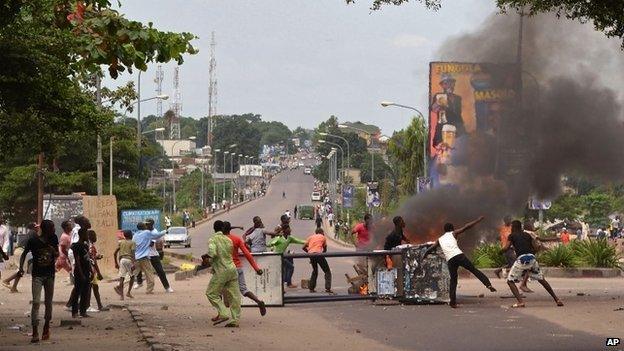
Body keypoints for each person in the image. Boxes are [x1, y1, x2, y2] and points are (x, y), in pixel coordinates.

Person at [423, 216, 496, 308]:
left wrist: (424, 255)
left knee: (453, 280)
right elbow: (466, 227)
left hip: (450, 260)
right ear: (451, 228)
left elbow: (431, 248)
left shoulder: (440, 239)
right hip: (459, 256)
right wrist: (478, 220)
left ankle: (452, 302)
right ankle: (488, 284)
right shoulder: (453, 233)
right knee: (473, 270)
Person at [502, 220, 564, 308]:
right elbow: (535, 247)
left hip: (522, 259)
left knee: (510, 281)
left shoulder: (512, 236)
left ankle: (520, 302)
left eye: (511, 227)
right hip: (532, 258)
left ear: (514, 227)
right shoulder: (527, 235)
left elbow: (506, 248)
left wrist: (500, 251)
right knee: (542, 280)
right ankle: (557, 299)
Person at [18, 220, 58, 343]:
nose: (54, 230)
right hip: (37, 275)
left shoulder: (53, 239)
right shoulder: (33, 241)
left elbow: (57, 253)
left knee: (48, 302)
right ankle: (35, 330)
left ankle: (46, 325)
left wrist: (53, 251)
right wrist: (21, 267)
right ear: (46, 229)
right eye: (52, 228)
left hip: (50, 275)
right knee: (36, 302)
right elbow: (24, 254)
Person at [205, 221, 247, 327]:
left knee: (211, 293)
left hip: (221, 271)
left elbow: (212, 253)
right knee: (234, 296)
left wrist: (207, 258)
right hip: (232, 269)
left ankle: (223, 313)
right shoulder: (228, 240)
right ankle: (235, 320)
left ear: (214, 228)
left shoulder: (213, 239)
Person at [222, 221, 266, 316]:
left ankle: (223, 313)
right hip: (238, 268)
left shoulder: (220, 240)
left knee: (221, 291)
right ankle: (258, 301)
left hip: (226, 269)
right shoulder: (236, 239)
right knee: (244, 290)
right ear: (230, 229)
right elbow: (247, 254)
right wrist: (256, 268)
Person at [133, 219, 165, 294]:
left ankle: (121, 285)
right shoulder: (147, 233)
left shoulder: (135, 235)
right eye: (145, 225)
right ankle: (149, 290)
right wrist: (165, 231)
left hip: (136, 257)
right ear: (143, 227)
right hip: (144, 257)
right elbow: (157, 236)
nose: (146, 226)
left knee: (133, 274)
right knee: (149, 273)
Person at [268, 223, 306, 288]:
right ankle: (284, 284)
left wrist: (309, 241)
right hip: (276, 257)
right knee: (285, 269)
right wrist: (273, 244)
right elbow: (269, 244)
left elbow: (299, 241)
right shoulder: (279, 238)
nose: (290, 230)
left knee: (286, 269)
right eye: (289, 229)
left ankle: (284, 284)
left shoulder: (289, 238)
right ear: (284, 230)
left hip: (283, 256)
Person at [3, 223, 37, 293]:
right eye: (36, 227)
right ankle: (7, 280)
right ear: (33, 228)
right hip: (21, 251)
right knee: (21, 270)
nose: (38, 228)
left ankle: (14, 288)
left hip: (19, 251)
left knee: (20, 270)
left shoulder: (30, 233)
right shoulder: (33, 233)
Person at [303, 228, 333, 294]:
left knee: (315, 271)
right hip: (319, 254)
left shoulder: (310, 237)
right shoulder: (323, 237)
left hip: (311, 255)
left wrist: (309, 252)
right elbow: (325, 249)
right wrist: (322, 256)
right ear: (322, 232)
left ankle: (311, 288)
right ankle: (328, 288)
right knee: (327, 271)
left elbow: (303, 247)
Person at [70, 228, 91, 318]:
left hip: (86, 270)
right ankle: (74, 312)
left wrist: (90, 270)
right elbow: (77, 260)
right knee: (77, 291)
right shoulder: (77, 246)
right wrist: (81, 273)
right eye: (86, 234)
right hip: (80, 271)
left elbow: (87, 259)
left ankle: (83, 311)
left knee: (85, 291)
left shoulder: (85, 246)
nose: (87, 236)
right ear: (82, 235)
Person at [87, 230, 108, 312]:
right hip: (91, 271)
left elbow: (92, 258)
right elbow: (93, 261)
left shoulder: (89, 245)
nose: (96, 237)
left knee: (94, 287)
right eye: (94, 235)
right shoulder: (91, 247)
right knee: (91, 288)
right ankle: (88, 306)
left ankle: (99, 305)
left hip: (90, 270)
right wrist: (99, 273)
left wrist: (96, 257)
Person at [114, 230, 137, 300]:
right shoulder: (132, 242)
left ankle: (121, 296)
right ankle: (128, 292)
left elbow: (115, 253)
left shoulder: (121, 242)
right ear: (131, 235)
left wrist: (116, 263)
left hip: (122, 260)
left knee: (122, 278)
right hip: (129, 260)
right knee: (132, 277)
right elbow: (133, 253)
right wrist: (134, 263)